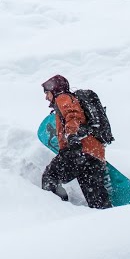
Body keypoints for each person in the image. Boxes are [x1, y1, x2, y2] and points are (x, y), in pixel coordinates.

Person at [40, 74, 111, 209]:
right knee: (96, 199)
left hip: (78, 151)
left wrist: (72, 135)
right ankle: (108, 218)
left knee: (50, 178)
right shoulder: (72, 99)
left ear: (54, 90)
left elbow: (73, 114)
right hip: (94, 154)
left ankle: (59, 212)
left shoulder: (63, 97)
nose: (46, 97)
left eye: (47, 93)